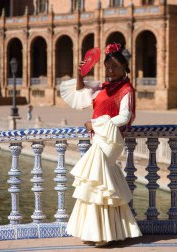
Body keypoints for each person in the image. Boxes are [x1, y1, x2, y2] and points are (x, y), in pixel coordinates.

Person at [61, 43, 141, 247]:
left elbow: (126, 116)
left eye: (114, 67)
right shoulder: (102, 87)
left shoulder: (127, 90)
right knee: (98, 184)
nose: (110, 71)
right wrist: (80, 73)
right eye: (107, 67)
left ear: (125, 68)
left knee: (100, 184)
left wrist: (95, 124)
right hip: (98, 138)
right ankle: (99, 231)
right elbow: (80, 91)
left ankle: (103, 234)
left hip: (110, 141)